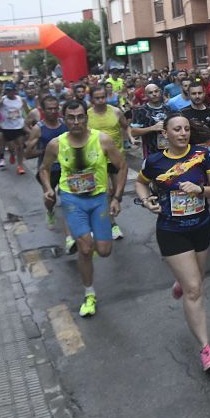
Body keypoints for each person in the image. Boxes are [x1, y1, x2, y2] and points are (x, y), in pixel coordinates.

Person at [136, 114, 210, 371]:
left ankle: (181, 280)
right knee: (195, 289)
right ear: (165, 133)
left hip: (200, 227)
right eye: (177, 129)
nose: (183, 133)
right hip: (171, 230)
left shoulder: (201, 155)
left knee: (195, 280)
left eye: (186, 128)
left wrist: (201, 190)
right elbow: (140, 184)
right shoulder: (155, 161)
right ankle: (206, 349)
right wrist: (146, 201)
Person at [39, 100, 128, 318]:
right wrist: (49, 188)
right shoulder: (56, 144)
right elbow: (44, 168)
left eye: (80, 117)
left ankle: (86, 248)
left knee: (104, 251)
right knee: (86, 248)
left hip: (98, 199)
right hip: (72, 199)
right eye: (71, 117)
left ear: (86, 118)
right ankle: (89, 294)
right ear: (65, 119)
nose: (76, 121)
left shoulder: (102, 140)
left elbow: (122, 166)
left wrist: (116, 197)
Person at [180, 80, 210, 237]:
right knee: (195, 188)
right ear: (189, 94)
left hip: (209, 154)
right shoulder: (183, 113)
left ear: (204, 93)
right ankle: (197, 219)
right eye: (194, 93)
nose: (197, 96)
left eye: (200, 93)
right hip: (190, 156)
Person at [25, 95, 70, 245]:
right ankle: (50, 211)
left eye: (55, 108)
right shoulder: (38, 129)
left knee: (67, 198)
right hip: (47, 170)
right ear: (43, 110)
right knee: (50, 198)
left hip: (66, 168)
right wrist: (46, 151)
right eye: (49, 109)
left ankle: (70, 233)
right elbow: (28, 154)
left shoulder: (65, 124)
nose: (53, 111)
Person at [87, 84, 130, 240]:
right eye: (97, 98)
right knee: (105, 191)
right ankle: (112, 224)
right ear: (91, 99)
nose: (100, 100)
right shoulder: (87, 115)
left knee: (116, 191)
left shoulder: (116, 111)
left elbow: (126, 126)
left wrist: (130, 138)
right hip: (96, 158)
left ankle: (112, 208)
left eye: (103, 97)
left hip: (116, 156)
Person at [130, 83, 171, 159]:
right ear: (146, 95)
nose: (154, 94)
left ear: (160, 92)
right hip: (151, 152)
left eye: (156, 91)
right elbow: (133, 132)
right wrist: (152, 128)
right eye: (150, 92)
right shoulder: (141, 111)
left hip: (170, 150)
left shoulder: (168, 108)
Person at [0, 82, 27, 174]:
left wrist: (27, 121)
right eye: (7, 90)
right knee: (12, 147)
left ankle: (20, 165)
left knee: (20, 146)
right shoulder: (2, 100)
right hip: (6, 127)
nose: (9, 92)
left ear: (15, 91)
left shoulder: (20, 99)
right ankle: (12, 153)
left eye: (11, 90)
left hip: (19, 126)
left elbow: (26, 111)